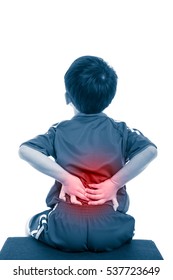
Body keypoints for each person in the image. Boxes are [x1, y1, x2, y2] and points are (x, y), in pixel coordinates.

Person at [19, 55, 157, 252]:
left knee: (30, 222)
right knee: (125, 225)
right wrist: (113, 184)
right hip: (111, 229)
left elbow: (25, 150)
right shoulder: (121, 130)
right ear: (110, 98)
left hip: (65, 227)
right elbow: (150, 151)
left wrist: (66, 178)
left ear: (67, 97)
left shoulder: (60, 130)